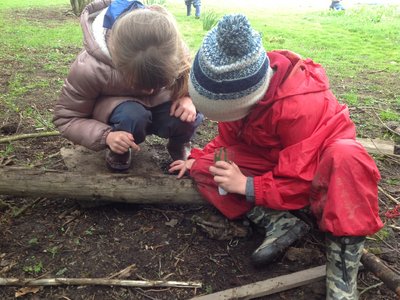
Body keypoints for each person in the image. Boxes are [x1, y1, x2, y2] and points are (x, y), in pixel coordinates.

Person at [169, 14, 383, 299]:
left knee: (348, 158)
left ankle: (343, 267)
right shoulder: (235, 91)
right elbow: (228, 140)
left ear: (250, 98)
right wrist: (199, 159)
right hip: (275, 157)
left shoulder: (299, 105)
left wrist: (246, 186)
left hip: (318, 168)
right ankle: (280, 222)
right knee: (210, 167)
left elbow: (300, 178)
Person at [53, 0, 203, 171]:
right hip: (121, 114)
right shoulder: (90, 68)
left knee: (187, 116)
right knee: (132, 114)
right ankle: (120, 148)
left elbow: (194, 80)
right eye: (138, 83)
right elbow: (66, 118)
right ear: (117, 63)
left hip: (161, 105)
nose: (149, 91)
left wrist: (188, 97)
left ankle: (179, 143)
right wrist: (107, 136)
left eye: (160, 83)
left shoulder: (171, 48)